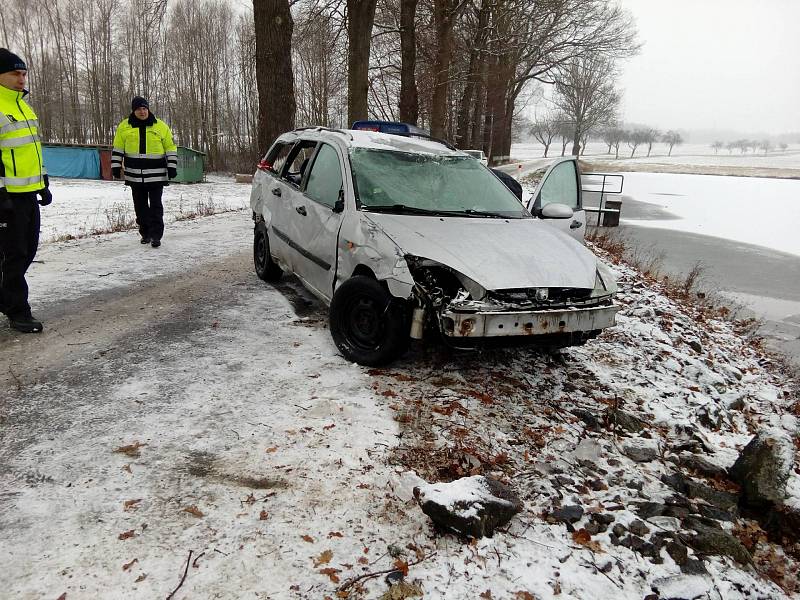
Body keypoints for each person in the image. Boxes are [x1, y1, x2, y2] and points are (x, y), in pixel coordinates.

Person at [0, 49, 52, 333]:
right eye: (14, 74)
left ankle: (5, 298)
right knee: (15, 255)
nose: (21, 79)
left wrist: (43, 182)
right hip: (7, 197)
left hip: (28, 193)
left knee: (27, 250)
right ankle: (18, 311)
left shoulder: (23, 106)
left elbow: (32, 149)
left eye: (23, 74)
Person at [111, 97, 177, 248]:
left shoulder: (160, 126)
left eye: (144, 108)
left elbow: (171, 147)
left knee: (155, 207)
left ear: (148, 109)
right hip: (135, 176)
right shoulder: (124, 127)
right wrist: (116, 167)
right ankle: (145, 233)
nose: (142, 111)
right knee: (140, 208)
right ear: (134, 111)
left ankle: (156, 236)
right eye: (139, 109)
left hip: (156, 175)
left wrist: (172, 166)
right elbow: (118, 148)